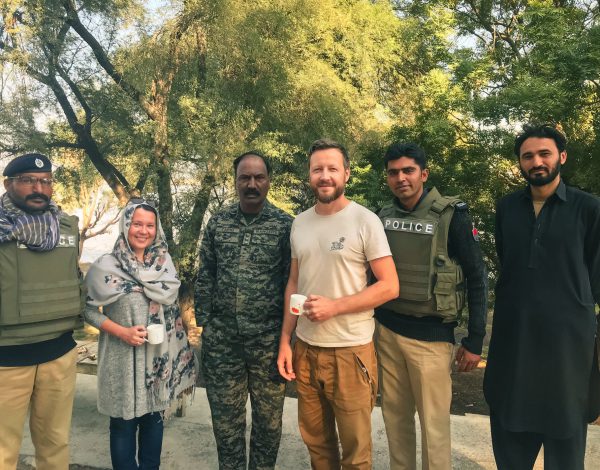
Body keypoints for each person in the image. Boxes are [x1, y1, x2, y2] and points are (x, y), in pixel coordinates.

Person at [277, 139, 399, 470]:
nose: (325, 176)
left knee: (356, 454)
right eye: (318, 169)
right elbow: (294, 284)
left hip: (350, 352)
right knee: (317, 446)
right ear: (310, 175)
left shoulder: (365, 220)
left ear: (346, 173)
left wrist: (334, 307)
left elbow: (389, 286)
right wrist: (286, 341)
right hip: (306, 350)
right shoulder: (299, 223)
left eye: (333, 169)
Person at [484, 124, 600, 470]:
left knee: (565, 452)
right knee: (511, 449)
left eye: (544, 153)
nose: (536, 161)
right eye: (528, 156)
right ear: (520, 163)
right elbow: (511, 266)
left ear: (561, 157)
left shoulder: (588, 209)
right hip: (514, 349)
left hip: (567, 356)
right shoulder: (506, 208)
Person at [374, 142, 488, 470]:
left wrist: (474, 340)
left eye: (408, 170)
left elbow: (477, 278)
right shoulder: (383, 217)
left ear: (423, 173)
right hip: (387, 332)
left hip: (432, 339)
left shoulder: (452, 216)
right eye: (393, 172)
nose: (401, 178)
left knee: (434, 430)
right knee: (396, 424)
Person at [195, 151, 293, 470]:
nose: (252, 184)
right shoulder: (219, 223)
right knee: (226, 426)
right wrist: (206, 323)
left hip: (267, 345)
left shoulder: (285, 226)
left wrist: (286, 338)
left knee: (268, 426)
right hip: (222, 344)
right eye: (244, 177)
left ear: (268, 181)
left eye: (259, 177)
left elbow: (293, 281)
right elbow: (205, 272)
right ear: (235, 181)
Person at [84, 199, 196, 469]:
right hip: (120, 361)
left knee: (153, 422)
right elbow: (88, 311)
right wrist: (121, 331)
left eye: (149, 225)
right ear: (126, 226)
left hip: (157, 361)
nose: (143, 230)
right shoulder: (105, 266)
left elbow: (172, 308)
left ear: (156, 229)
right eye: (137, 224)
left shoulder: (164, 264)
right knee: (122, 427)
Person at [0, 153, 83, 470]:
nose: (39, 187)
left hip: (59, 354)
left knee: (55, 444)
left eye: (45, 181)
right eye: (29, 180)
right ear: (9, 184)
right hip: (6, 359)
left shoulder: (66, 226)